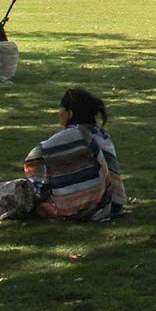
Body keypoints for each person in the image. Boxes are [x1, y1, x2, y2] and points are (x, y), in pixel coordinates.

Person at [24, 88, 126, 221]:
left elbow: (34, 159)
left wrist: (41, 189)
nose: (58, 113)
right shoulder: (102, 135)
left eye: (61, 109)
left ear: (70, 113)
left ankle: (72, 203)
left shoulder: (71, 136)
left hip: (92, 208)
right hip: (115, 203)